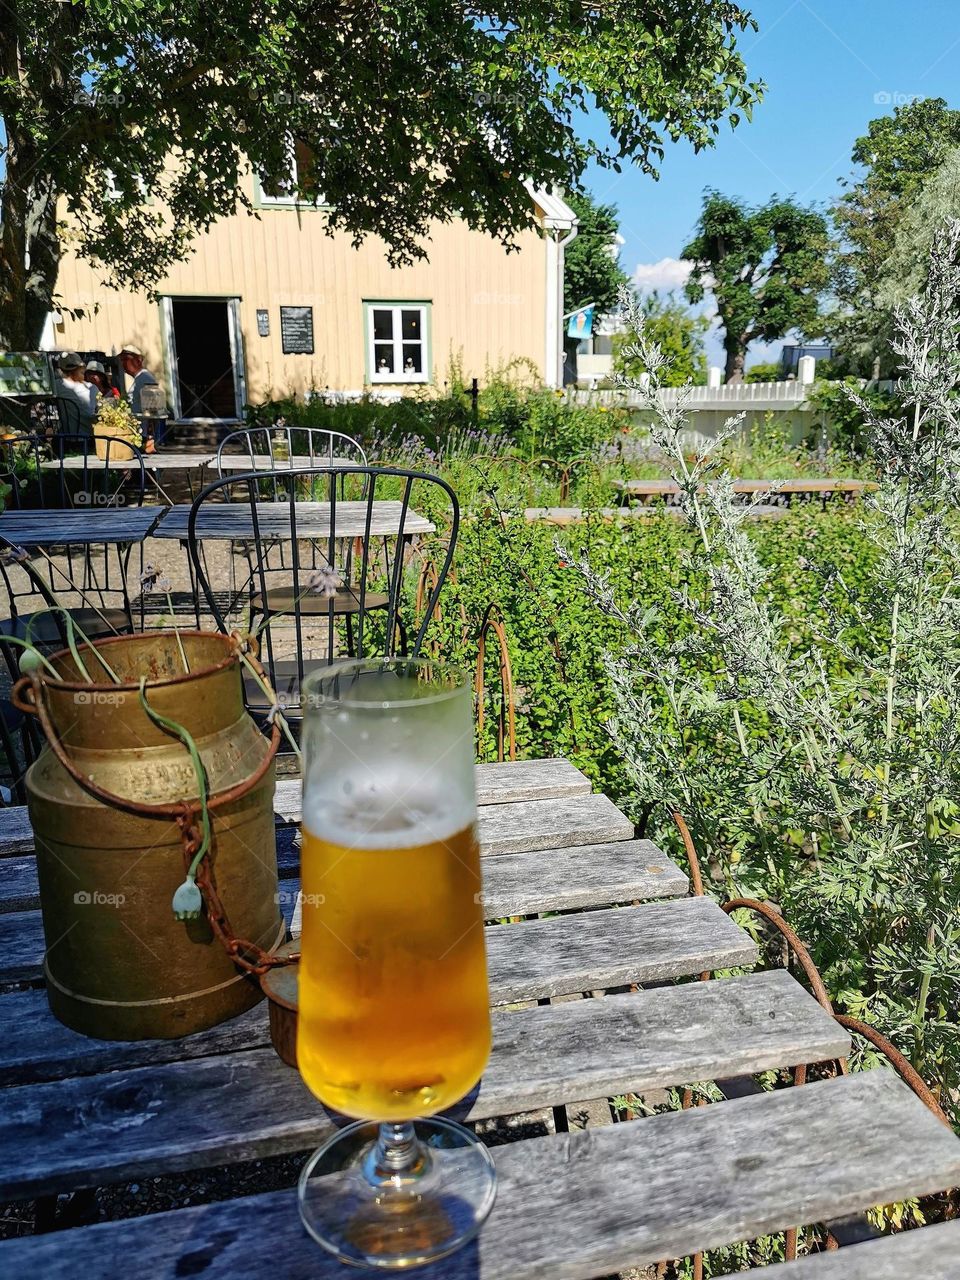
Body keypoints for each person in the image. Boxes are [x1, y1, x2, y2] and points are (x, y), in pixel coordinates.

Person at [118, 344, 161, 450]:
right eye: (122, 360)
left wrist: (150, 438)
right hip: (137, 433)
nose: (123, 363)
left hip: (143, 435)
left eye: (126, 359)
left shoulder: (145, 379)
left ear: (138, 360)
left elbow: (152, 410)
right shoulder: (138, 379)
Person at [55, 352, 97, 433]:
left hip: (66, 438)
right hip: (92, 437)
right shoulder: (92, 388)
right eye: (81, 369)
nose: (84, 371)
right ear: (72, 371)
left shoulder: (57, 385)